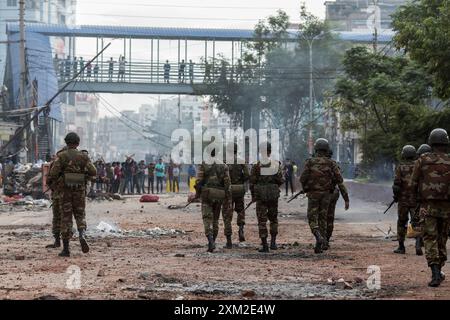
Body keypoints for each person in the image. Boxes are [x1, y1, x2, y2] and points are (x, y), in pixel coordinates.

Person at [411, 129, 450, 287]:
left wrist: (415, 206)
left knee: (430, 238)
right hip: (447, 206)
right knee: (442, 238)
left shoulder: (422, 159)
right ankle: (438, 270)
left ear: (431, 142)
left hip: (427, 206)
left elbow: (413, 184)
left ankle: (435, 273)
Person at [49, 132, 96, 257]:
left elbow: (53, 173)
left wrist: (58, 179)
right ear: (78, 143)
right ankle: (82, 234)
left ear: (66, 142)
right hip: (79, 190)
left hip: (65, 191)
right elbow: (93, 171)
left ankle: (66, 249)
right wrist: (83, 175)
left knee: (66, 217)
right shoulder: (83, 156)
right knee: (80, 214)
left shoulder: (62, 156)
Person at [300, 138, 349, 254]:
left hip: (313, 195)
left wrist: (306, 187)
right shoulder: (332, 163)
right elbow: (339, 180)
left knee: (312, 218)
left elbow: (303, 178)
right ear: (327, 149)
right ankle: (322, 242)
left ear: (316, 148)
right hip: (327, 195)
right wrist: (346, 198)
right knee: (323, 218)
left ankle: (317, 236)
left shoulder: (310, 162)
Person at [249, 142, 284, 252]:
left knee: (262, 220)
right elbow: (280, 180)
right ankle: (273, 243)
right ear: (270, 151)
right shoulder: (276, 164)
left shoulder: (256, 165)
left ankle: (264, 245)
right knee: (273, 219)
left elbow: (252, 182)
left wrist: (253, 195)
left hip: (261, 196)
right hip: (273, 195)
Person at [195, 148, 231, 252]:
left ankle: (210, 241)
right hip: (219, 196)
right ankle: (213, 241)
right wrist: (227, 198)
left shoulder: (204, 164)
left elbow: (199, 181)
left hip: (207, 195)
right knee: (215, 219)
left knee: (207, 218)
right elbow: (227, 184)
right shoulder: (224, 166)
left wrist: (197, 194)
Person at [392, 145, 420, 255]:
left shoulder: (400, 167)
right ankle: (418, 243)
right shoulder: (418, 165)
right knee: (416, 222)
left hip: (403, 200)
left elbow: (396, 185)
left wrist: (396, 196)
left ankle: (401, 246)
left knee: (402, 222)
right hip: (416, 200)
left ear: (404, 154)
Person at [222, 143, 250, 247]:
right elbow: (247, 175)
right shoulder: (241, 161)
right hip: (239, 189)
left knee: (227, 215)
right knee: (240, 210)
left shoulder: (224, 162)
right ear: (236, 150)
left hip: (228, 190)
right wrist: (241, 180)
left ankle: (229, 240)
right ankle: (241, 229)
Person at [325, 149, 349, 249]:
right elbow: (340, 183)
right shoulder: (334, 165)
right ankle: (326, 239)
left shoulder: (312, 163)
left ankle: (320, 238)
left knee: (320, 217)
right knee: (329, 218)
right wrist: (346, 199)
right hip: (332, 194)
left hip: (318, 194)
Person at [45, 147, 67, 249]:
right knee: (67, 218)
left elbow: (49, 178)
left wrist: (53, 186)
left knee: (57, 218)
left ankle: (57, 241)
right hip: (71, 195)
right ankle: (67, 244)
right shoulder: (76, 161)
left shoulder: (56, 162)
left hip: (58, 194)